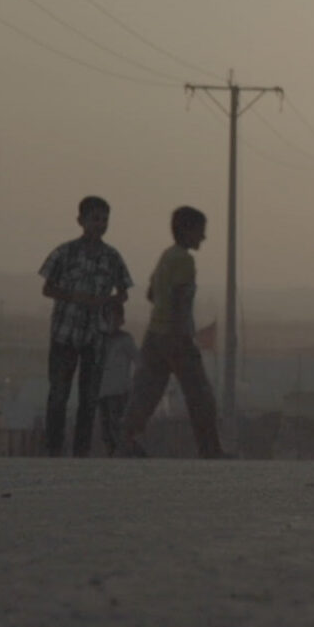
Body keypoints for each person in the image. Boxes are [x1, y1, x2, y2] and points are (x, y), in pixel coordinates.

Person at [118, 206, 224, 458]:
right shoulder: (185, 261)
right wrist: (182, 334)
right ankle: (210, 449)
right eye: (200, 231)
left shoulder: (167, 256)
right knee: (200, 396)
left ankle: (124, 441)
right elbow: (179, 299)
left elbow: (151, 293)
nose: (203, 237)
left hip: (155, 334)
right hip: (176, 337)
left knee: (146, 393)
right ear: (187, 230)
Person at [39, 196, 132, 457]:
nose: (100, 225)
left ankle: (81, 452)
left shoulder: (112, 257)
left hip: (95, 337)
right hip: (64, 334)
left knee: (89, 398)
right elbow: (47, 287)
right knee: (59, 395)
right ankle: (53, 450)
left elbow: (123, 291)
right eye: (95, 219)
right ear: (81, 221)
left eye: (104, 220)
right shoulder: (65, 253)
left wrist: (108, 302)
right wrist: (74, 297)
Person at [95, 323, 137, 456]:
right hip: (102, 391)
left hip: (119, 391)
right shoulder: (99, 338)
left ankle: (134, 456)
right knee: (106, 431)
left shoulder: (125, 339)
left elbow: (138, 359)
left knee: (117, 429)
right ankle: (113, 457)